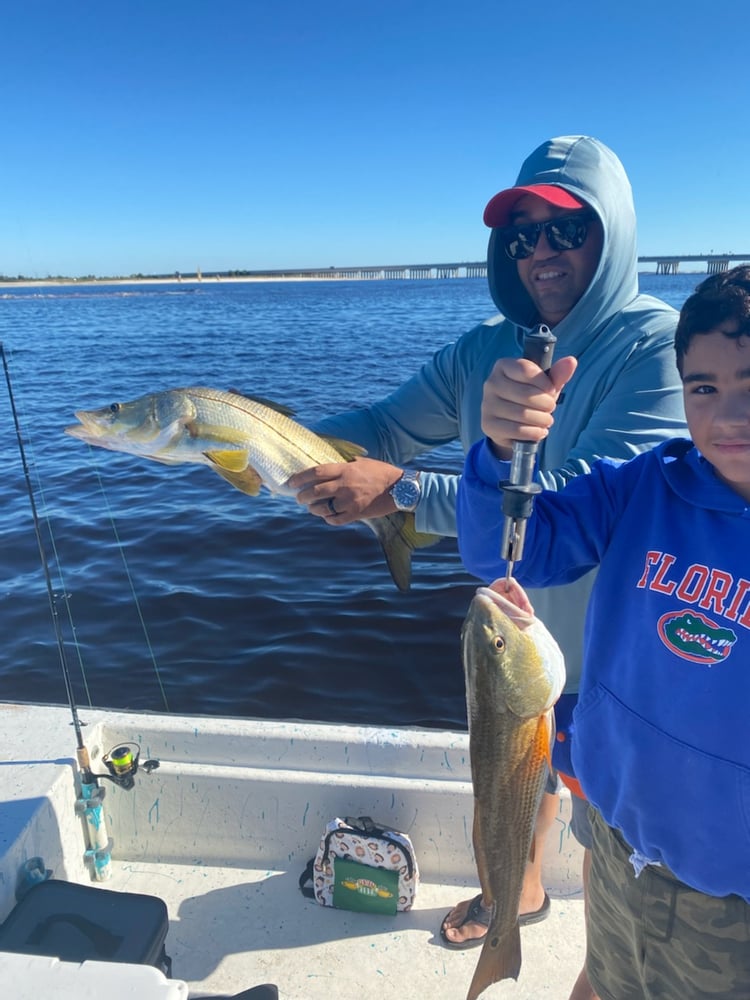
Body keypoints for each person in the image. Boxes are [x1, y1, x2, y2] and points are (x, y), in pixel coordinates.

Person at [288, 135, 686, 999]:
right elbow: (384, 426)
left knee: (615, 840)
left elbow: (579, 508)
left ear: (611, 234)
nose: (541, 252)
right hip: (522, 622)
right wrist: (274, 441)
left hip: (619, 648)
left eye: (566, 232)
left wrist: (401, 495)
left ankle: (605, 965)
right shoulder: (483, 351)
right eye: (523, 235)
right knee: (516, 760)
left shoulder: (660, 348)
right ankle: (525, 888)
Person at [456, 264, 750, 1000]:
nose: (727, 418)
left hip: (734, 899)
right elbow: (502, 546)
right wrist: (499, 451)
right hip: (619, 846)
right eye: (703, 388)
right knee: (608, 980)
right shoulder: (643, 485)